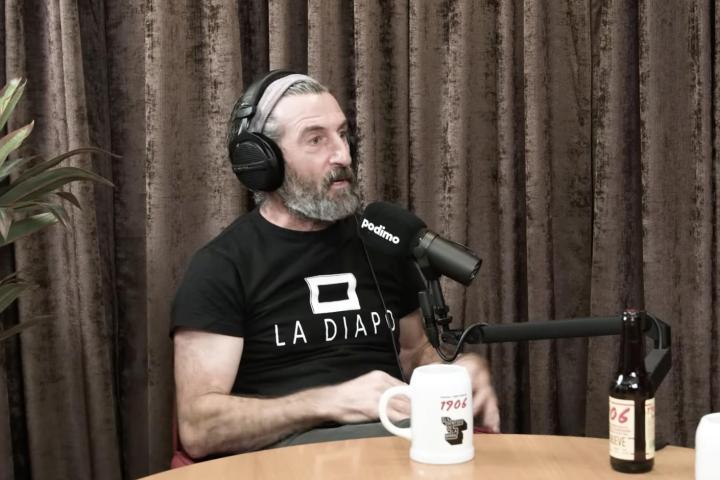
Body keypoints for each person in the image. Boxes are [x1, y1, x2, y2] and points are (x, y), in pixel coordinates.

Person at [171, 71, 500, 460]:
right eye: (316, 139)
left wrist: (455, 372)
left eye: (343, 135)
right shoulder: (223, 266)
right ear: (262, 161)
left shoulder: (381, 240)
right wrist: (327, 402)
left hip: (395, 442)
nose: (342, 155)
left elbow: (414, 353)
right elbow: (199, 428)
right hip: (284, 458)